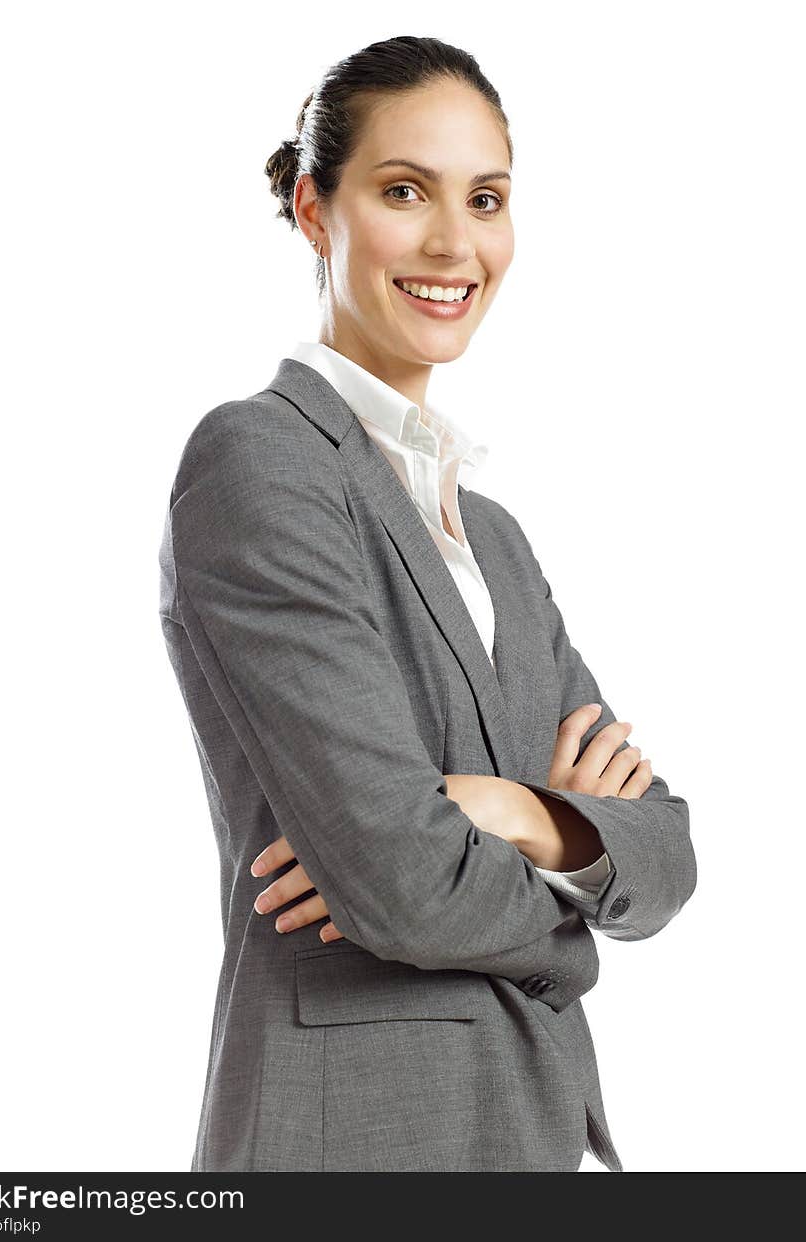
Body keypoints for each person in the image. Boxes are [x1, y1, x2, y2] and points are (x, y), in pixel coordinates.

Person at [157, 34, 697, 1173]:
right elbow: (400, 883)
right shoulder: (260, 462)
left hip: (523, 1137)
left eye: (486, 198)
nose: (456, 243)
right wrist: (572, 904)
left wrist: (514, 808)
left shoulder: (491, 536)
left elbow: (666, 856)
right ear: (315, 208)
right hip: (352, 1138)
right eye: (405, 192)